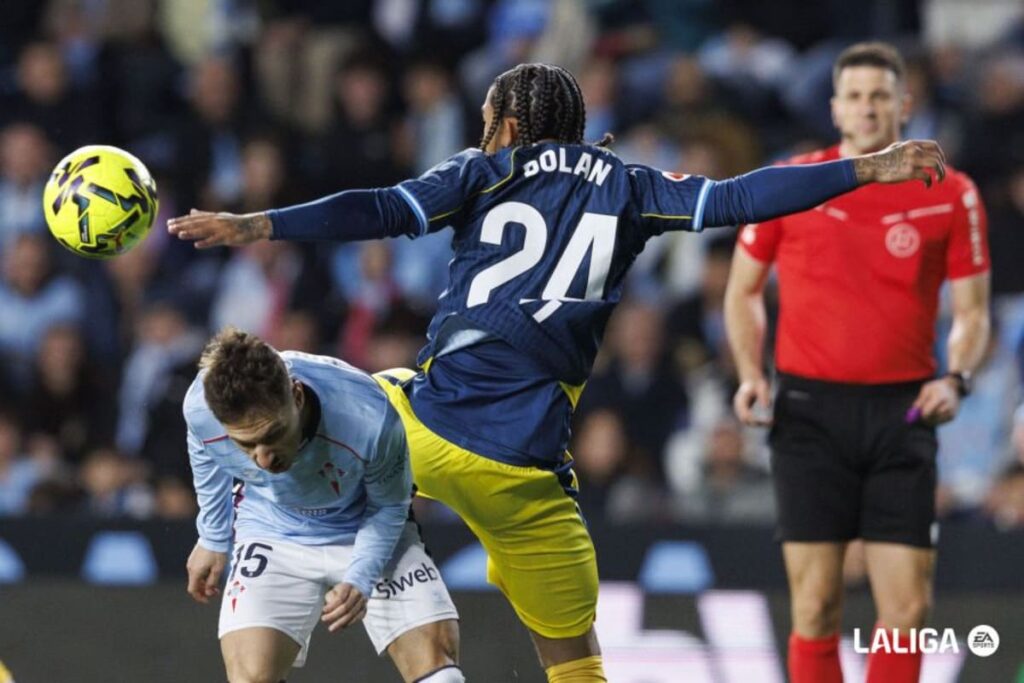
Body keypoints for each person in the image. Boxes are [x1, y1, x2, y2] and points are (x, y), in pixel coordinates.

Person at [169, 62, 947, 682]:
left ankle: (260, 527)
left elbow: (376, 208)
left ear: (506, 125)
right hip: (524, 477)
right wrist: (867, 169)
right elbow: (745, 195)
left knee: (341, 399)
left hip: (424, 433)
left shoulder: (485, 168)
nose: (483, 133)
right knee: (576, 665)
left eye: (486, 124)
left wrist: (261, 223)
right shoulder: (633, 185)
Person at [723, 43, 990, 683]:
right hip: (811, 416)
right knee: (815, 607)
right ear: (835, 107)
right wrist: (751, 372)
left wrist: (955, 377)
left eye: (880, 95)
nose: (868, 107)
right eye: (856, 95)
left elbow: (974, 313)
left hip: (903, 412)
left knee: (908, 610)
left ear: (905, 102)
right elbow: (742, 291)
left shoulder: (951, 193)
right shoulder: (794, 183)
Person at [183, 328, 462, 683]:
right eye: (247, 445)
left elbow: (389, 506)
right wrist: (212, 534)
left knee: (442, 677)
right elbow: (203, 444)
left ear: (296, 396)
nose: (264, 460)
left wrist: (361, 577)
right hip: (273, 529)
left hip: (365, 526)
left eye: (272, 436)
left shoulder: (369, 416)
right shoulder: (201, 406)